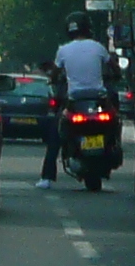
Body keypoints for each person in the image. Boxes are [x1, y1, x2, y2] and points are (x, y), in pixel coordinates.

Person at [39, 17, 114, 189]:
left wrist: (53, 77)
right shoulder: (98, 47)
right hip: (99, 98)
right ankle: (113, 145)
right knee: (114, 119)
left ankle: (47, 177)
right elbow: (114, 68)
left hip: (75, 98)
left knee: (56, 134)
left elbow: (55, 73)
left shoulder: (63, 50)